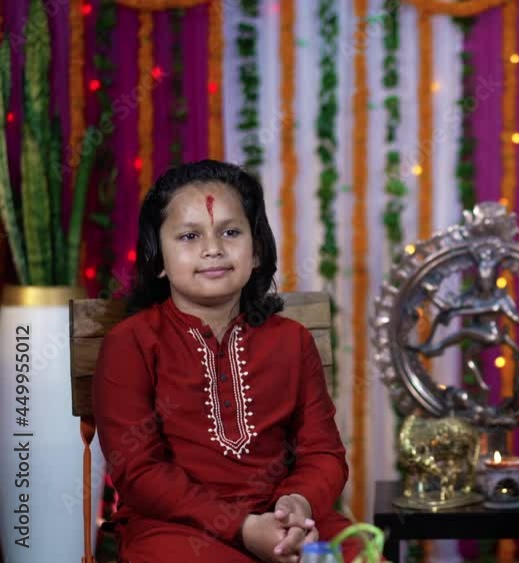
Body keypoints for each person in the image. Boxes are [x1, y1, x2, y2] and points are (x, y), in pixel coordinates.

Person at [93, 160, 365, 562]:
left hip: (283, 518)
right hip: (176, 526)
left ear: (256, 250)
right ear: (159, 260)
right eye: (189, 235)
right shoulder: (131, 344)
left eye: (231, 231)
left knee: (360, 551)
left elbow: (323, 453)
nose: (213, 248)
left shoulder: (291, 341)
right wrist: (239, 527)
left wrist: (298, 504)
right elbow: (138, 472)